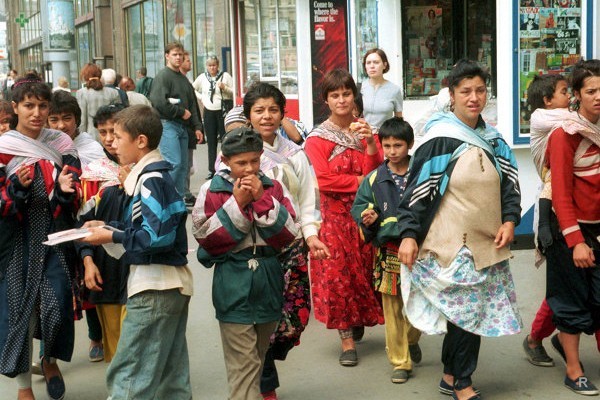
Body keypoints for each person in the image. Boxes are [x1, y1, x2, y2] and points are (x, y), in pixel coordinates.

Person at [397, 60, 522, 400]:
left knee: (469, 315)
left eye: (480, 90)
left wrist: (510, 220)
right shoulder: (440, 141)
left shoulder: (494, 140)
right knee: (466, 315)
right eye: (465, 91)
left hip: (488, 243)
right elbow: (415, 194)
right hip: (452, 245)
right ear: (451, 95)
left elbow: (510, 185)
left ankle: (451, 374)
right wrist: (408, 235)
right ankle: (463, 383)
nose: (474, 97)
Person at [79, 104, 193, 399]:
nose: (112, 143)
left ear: (140, 141)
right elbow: (149, 228)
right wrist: (108, 227)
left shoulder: (151, 179)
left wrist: (112, 233)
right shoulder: (152, 176)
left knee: (129, 373)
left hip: (155, 286)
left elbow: (156, 237)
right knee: (170, 376)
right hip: (166, 284)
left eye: (117, 136)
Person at [192, 126, 298, 400]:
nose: (249, 169)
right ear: (225, 161)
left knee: (257, 358)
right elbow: (205, 238)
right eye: (241, 163)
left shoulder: (273, 186)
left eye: (254, 161)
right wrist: (237, 203)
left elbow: (289, 232)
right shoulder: (211, 189)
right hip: (232, 282)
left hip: (268, 281)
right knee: (244, 366)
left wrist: (262, 199)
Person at [239, 82, 329, 400]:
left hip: (289, 249)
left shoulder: (295, 154)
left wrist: (311, 235)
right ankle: (265, 387)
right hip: (251, 251)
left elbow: (308, 199)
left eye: (273, 110)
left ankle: (262, 378)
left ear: (282, 114)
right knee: (254, 320)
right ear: (248, 116)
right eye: (259, 110)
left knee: (286, 319)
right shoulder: (235, 155)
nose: (267, 116)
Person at [0, 73, 81, 400]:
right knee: (20, 312)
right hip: (15, 240)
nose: (36, 112)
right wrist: (15, 187)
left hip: (55, 236)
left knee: (57, 304)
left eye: (42, 106)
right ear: (15, 107)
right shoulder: (3, 148)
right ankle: (23, 388)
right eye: (29, 105)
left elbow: (74, 192)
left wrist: (64, 191)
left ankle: (48, 359)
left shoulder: (62, 145)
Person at [304, 68, 384, 367]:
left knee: (365, 271)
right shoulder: (317, 139)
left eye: (346, 94)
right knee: (338, 277)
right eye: (335, 95)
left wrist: (372, 144)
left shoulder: (365, 130)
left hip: (366, 215)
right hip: (334, 219)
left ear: (354, 96)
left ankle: (362, 318)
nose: (341, 100)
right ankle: (347, 339)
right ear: (326, 99)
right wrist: (361, 180)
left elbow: (377, 169)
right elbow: (324, 180)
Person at [351, 116, 422, 384]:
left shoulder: (422, 173)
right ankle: (400, 362)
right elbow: (360, 208)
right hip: (389, 252)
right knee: (392, 309)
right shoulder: (373, 179)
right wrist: (368, 216)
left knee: (422, 303)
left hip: (420, 250)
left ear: (410, 145)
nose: (393, 151)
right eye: (388, 146)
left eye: (398, 145)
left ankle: (411, 338)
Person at [544, 59, 600, 396]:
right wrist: (576, 241)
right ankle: (573, 369)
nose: (599, 97)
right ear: (577, 95)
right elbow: (560, 193)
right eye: (591, 91)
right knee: (571, 302)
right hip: (570, 231)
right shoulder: (564, 135)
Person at [522, 74, 571, 367]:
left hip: (581, 208)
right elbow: (577, 119)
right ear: (547, 100)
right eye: (567, 92)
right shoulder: (544, 119)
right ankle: (535, 338)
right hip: (554, 209)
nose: (572, 97)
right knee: (563, 287)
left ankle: (561, 336)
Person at [76, 103, 129, 365]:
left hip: (140, 274)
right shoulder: (93, 176)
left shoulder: (150, 171)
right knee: (117, 356)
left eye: (114, 132)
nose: (108, 140)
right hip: (105, 275)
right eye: (103, 132)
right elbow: (81, 225)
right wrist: (87, 261)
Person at [149, 42, 204, 197]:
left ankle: (178, 200)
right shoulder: (163, 76)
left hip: (183, 127)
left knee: (184, 167)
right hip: (168, 125)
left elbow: (192, 104)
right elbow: (158, 102)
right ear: (167, 56)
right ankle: (166, 199)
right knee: (174, 164)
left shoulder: (183, 79)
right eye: (175, 54)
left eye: (180, 54)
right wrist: (179, 112)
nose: (178, 57)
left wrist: (197, 127)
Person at [193, 55, 233, 179]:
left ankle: (225, 167)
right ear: (207, 66)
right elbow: (192, 89)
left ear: (218, 65)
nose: (212, 68)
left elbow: (233, 92)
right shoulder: (202, 77)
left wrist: (224, 88)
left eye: (214, 65)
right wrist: (202, 98)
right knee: (211, 142)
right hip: (209, 111)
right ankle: (212, 169)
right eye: (210, 65)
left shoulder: (225, 76)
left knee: (225, 139)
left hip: (222, 110)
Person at [49, 90, 105, 168]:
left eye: (67, 118)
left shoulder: (93, 149)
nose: (61, 126)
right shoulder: (43, 149)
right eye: (54, 120)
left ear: (76, 119)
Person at [76, 63, 121, 141]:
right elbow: (118, 118)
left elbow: (82, 121)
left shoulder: (82, 93)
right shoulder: (114, 92)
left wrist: (80, 140)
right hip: (112, 137)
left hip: (91, 137)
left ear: (85, 77)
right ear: (100, 75)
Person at [361, 48, 403, 130]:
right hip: (362, 136)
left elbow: (399, 120)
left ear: (384, 65)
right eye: (368, 63)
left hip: (384, 137)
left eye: (376, 62)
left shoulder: (394, 90)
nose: (372, 66)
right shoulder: (360, 88)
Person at [180, 51, 202, 206]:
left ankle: (185, 191)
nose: (190, 63)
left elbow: (194, 105)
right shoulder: (178, 82)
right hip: (182, 128)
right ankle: (183, 192)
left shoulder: (186, 81)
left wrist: (198, 126)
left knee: (187, 163)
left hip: (189, 128)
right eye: (187, 60)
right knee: (182, 163)